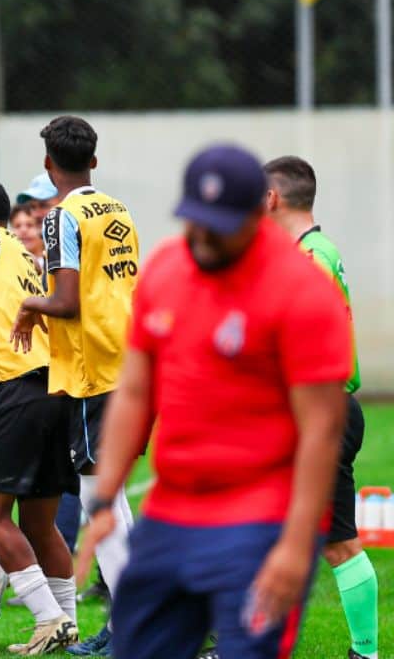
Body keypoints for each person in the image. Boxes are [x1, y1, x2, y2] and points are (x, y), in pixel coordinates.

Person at [78, 144, 351, 658]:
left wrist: (295, 546)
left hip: (263, 516)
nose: (204, 236)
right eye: (196, 220)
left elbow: (322, 429)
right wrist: (105, 497)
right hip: (174, 509)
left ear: (259, 215)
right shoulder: (164, 270)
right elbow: (135, 390)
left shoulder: (302, 290)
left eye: (221, 224)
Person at [11, 116, 137, 656]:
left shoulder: (62, 215)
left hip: (94, 367)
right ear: (94, 160)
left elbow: (68, 300)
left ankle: (137, 624)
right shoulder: (116, 209)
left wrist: (28, 304)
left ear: (47, 164)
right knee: (112, 498)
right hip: (128, 359)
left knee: (98, 497)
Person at [0, 180, 80, 654]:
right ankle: (66, 624)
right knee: (39, 524)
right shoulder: (19, 254)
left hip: (18, 385)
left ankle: (49, 619)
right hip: (52, 386)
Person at [264, 155, 378, 659]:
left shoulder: (310, 258)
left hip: (319, 413)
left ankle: (366, 652)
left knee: (339, 543)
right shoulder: (309, 252)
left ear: (273, 198)